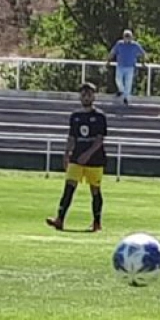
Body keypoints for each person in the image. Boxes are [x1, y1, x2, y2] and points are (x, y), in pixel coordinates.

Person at [46, 82, 107, 232]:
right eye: (83, 94)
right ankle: (60, 219)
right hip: (77, 158)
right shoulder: (75, 116)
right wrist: (66, 153)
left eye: (89, 94)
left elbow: (100, 139)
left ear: (94, 96)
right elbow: (72, 137)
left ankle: (97, 222)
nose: (86, 97)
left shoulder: (99, 116)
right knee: (68, 188)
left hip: (95, 160)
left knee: (95, 190)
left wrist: (88, 154)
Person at [106, 29, 146, 106]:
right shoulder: (119, 44)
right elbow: (112, 52)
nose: (127, 38)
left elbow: (143, 53)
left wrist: (143, 63)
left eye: (128, 36)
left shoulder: (135, 45)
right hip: (120, 66)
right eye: (126, 36)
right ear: (123, 37)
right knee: (118, 80)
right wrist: (108, 61)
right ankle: (122, 91)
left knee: (128, 84)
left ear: (131, 37)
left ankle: (126, 98)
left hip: (130, 67)